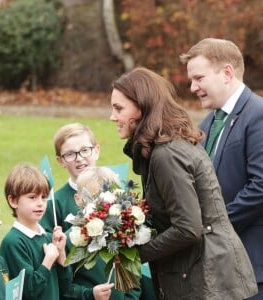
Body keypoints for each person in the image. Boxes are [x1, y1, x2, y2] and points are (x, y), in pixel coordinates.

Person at [109, 66, 258, 299]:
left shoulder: (166, 154)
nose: (112, 117)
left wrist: (135, 253)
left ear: (142, 105)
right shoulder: (161, 149)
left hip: (206, 279)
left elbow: (188, 228)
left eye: (119, 108)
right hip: (198, 274)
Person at [180, 37, 263, 299]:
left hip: (254, 266)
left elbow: (260, 186)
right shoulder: (206, 123)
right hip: (220, 268)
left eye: (199, 78)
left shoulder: (258, 114)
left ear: (227, 73)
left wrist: (213, 227)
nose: (193, 87)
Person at [62, 166, 142, 299]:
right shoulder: (70, 240)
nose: (101, 206)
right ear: (78, 199)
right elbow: (63, 287)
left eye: (106, 200)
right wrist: (90, 295)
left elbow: (134, 280)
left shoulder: (122, 234)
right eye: (93, 199)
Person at [0, 164, 71, 300]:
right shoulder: (14, 242)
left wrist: (61, 256)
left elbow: (66, 289)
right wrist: (48, 261)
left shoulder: (49, 237)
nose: (40, 203)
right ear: (13, 201)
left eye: (43, 197)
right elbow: (30, 291)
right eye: (32, 197)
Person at [40, 123, 100, 233]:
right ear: (60, 161)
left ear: (96, 151)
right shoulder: (54, 204)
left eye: (85, 150)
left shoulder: (115, 191)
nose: (79, 158)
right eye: (70, 154)